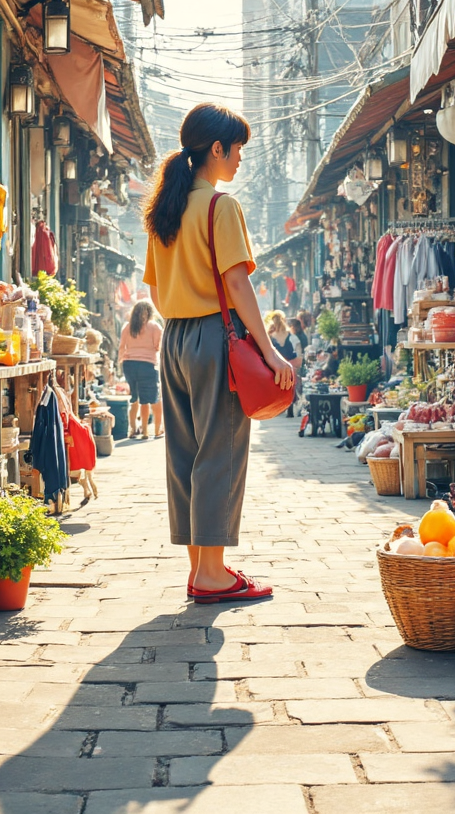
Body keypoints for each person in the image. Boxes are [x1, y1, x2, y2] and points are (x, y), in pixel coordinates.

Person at [144, 102, 294, 605]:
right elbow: (236, 282)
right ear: (215, 149)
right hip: (215, 338)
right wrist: (270, 351)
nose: (239, 160)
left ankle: (203, 568)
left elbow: (155, 288)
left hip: (175, 339)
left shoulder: (164, 209)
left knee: (184, 453)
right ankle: (211, 575)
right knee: (221, 450)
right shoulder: (219, 206)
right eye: (237, 151)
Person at [118, 300, 163, 440]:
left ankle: (133, 430)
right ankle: (148, 431)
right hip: (147, 365)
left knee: (134, 398)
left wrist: (121, 363)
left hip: (129, 364)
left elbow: (121, 347)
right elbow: (157, 347)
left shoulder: (128, 327)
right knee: (149, 398)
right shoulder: (155, 327)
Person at [267, 311, 302, 418]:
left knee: (277, 385)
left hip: (275, 366)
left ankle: (277, 407)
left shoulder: (270, 338)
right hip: (290, 365)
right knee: (290, 385)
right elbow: (299, 355)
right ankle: (290, 404)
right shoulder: (292, 337)